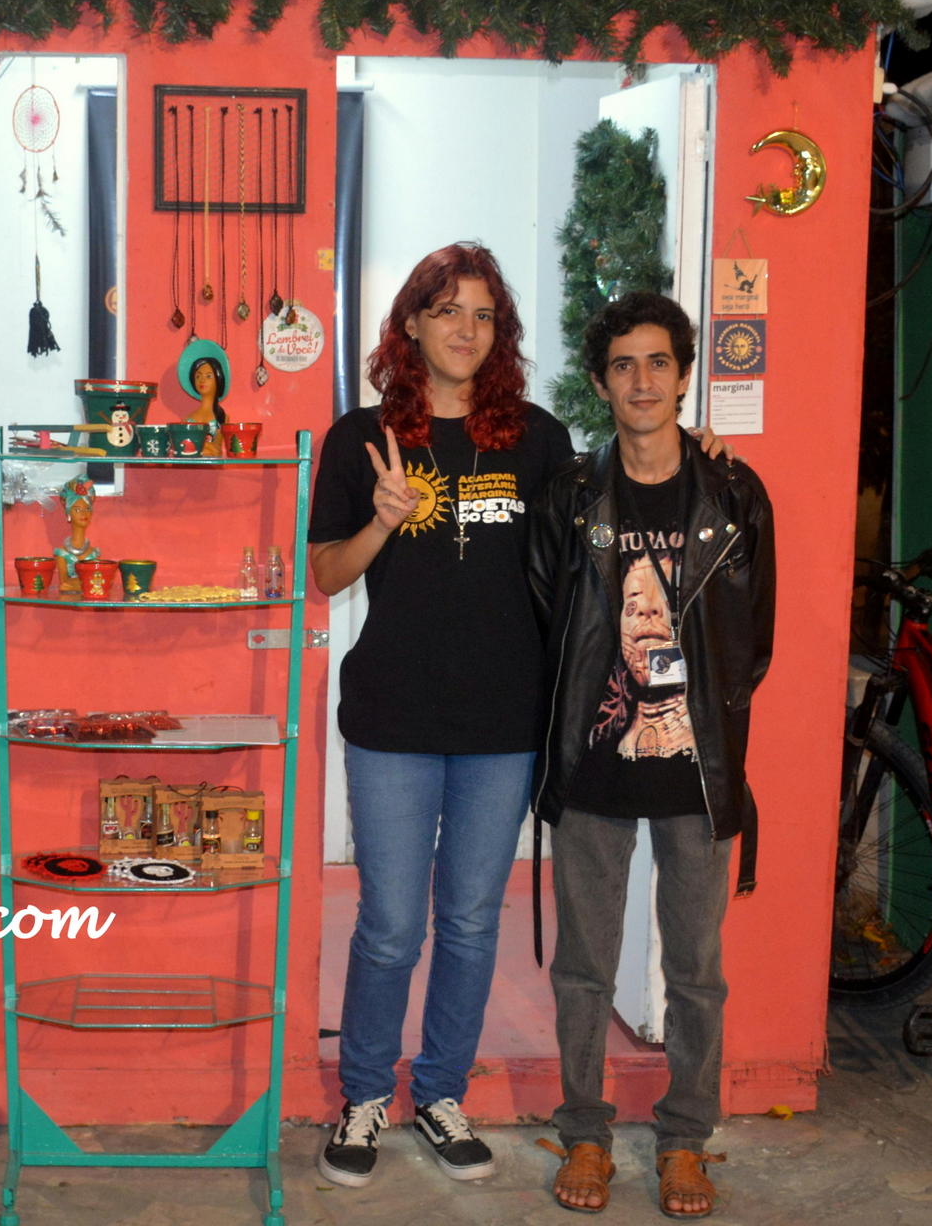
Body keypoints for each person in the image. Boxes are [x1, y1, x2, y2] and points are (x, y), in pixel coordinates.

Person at [307, 242, 573, 1187]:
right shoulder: (361, 437)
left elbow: (594, 537)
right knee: (389, 924)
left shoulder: (537, 441)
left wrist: (695, 451)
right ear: (411, 324)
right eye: (447, 309)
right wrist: (382, 519)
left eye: (483, 314)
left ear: (500, 332)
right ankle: (364, 1097)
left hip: (503, 722)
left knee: (468, 922)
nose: (466, 328)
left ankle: (441, 1093)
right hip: (392, 718)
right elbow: (323, 575)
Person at [528, 292, 774, 1219]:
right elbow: (546, 621)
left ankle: (684, 1142)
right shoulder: (570, 497)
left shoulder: (734, 495)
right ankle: (584, 1134)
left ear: (682, 375)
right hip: (592, 764)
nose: (641, 381)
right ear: (600, 384)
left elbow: (753, 639)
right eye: (622, 365)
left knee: (696, 972)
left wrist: (704, 719)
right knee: (583, 967)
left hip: (697, 773)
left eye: (657, 362)